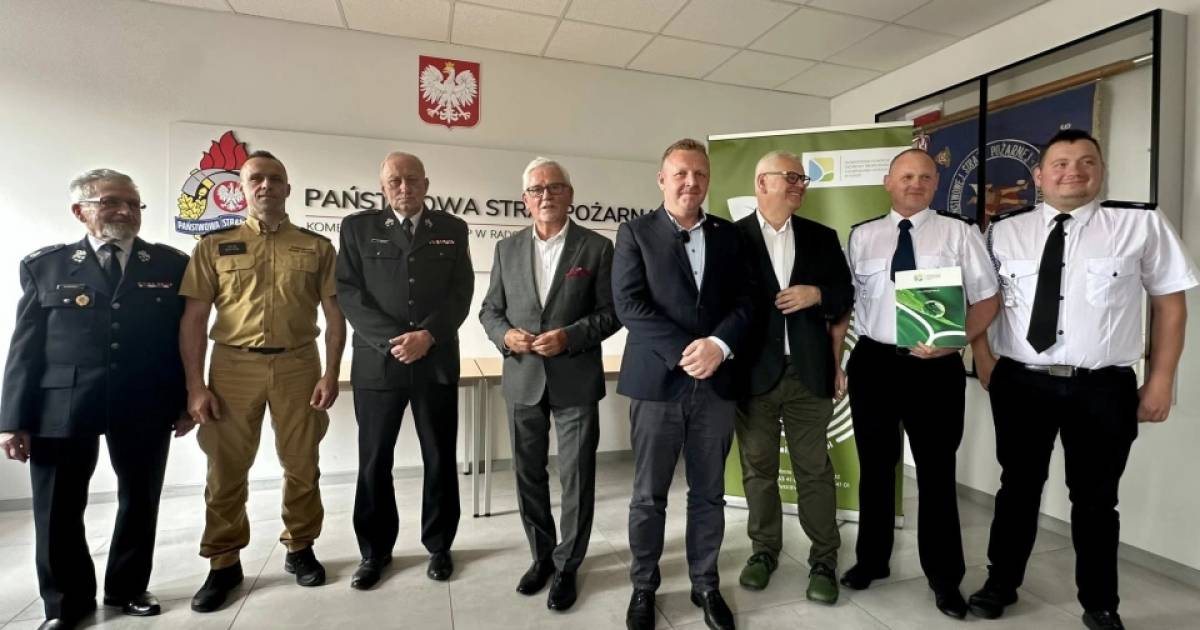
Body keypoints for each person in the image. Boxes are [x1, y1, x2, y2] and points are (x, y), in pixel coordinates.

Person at [968, 129, 1197, 630]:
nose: (1073, 171)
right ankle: (1000, 583)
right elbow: (981, 298)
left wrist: (1161, 380)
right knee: (1017, 488)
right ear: (1039, 176)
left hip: (1102, 388)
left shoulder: (1139, 224)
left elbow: (1170, 304)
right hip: (1021, 383)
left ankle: (1100, 603)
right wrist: (982, 355)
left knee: (1096, 500)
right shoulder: (1003, 230)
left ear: (1101, 170)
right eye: (1061, 163)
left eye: (1086, 162)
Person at [0, 169, 192, 630]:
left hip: (144, 399)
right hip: (62, 404)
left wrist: (185, 400)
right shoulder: (45, 265)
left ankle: (128, 588)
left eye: (133, 203)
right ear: (80, 211)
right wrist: (12, 419)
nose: (125, 211)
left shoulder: (169, 264)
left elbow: (180, 340)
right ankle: (66, 603)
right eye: (110, 202)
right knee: (57, 507)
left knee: (139, 499)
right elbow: (25, 347)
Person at [180, 151, 345, 612]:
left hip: (298, 365)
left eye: (275, 179)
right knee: (225, 468)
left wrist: (331, 372)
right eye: (256, 178)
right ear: (242, 188)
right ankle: (223, 561)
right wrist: (195, 386)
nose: (266, 186)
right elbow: (194, 319)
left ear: (288, 188)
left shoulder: (316, 247)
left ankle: (300, 546)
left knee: (302, 461)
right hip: (232, 367)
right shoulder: (214, 246)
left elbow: (335, 317)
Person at [839, 148, 999, 619]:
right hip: (874, 362)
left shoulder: (959, 233)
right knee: (875, 466)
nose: (915, 184)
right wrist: (837, 361)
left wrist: (957, 343)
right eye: (906, 176)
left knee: (935, 472)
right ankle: (872, 560)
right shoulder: (862, 235)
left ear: (935, 184)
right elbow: (846, 303)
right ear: (888, 183)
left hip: (935, 367)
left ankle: (945, 578)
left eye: (925, 177)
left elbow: (988, 299)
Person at [614, 138, 753, 630]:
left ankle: (705, 584)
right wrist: (686, 351)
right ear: (662, 179)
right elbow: (629, 304)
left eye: (700, 174)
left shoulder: (730, 235)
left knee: (709, 492)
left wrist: (718, 345)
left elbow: (748, 301)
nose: (691, 182)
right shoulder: (635, 233)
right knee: (648, 495)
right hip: (657, 383)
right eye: (681, 173)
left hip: (716, 383)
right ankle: (643, 586)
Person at [479, 157, 621, 611]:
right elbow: (490, 310)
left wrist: (570, 337)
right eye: (537, 189)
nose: (546, 195)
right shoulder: (506, 249)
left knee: (577, 476)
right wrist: (505, 336)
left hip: (575, 378)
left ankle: (568, 565)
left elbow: (613, 313)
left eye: (555, 187)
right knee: (528, 474)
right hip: (523, 378)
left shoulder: (597, 248)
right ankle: (541, 556)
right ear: (525, 199)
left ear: (569, 194)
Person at [336, 151, 473, 589]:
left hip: (435, 360)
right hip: (379, 363)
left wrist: (428, 335)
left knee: (440, 457)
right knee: (375, 460)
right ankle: (374, 551)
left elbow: (461, 292)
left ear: (426, 184)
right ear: (383, 187)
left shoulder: (452, 229)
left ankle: (440, 546)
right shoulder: (357, 229)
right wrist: (397, 340)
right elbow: (349, 294)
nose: (404, 187)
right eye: (395, 180)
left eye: (413, 179)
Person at [732, 151, 852, 603]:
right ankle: (764, 551)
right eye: (792, 177)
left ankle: (824, 559)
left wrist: (816, 294)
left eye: (803, 178)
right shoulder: (731, 238)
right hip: (751, 377)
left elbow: (844, 295)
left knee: (814, 470)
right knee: (758, 469)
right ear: (762, 183)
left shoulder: (822, 237)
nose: (800, 184)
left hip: (809, 374)